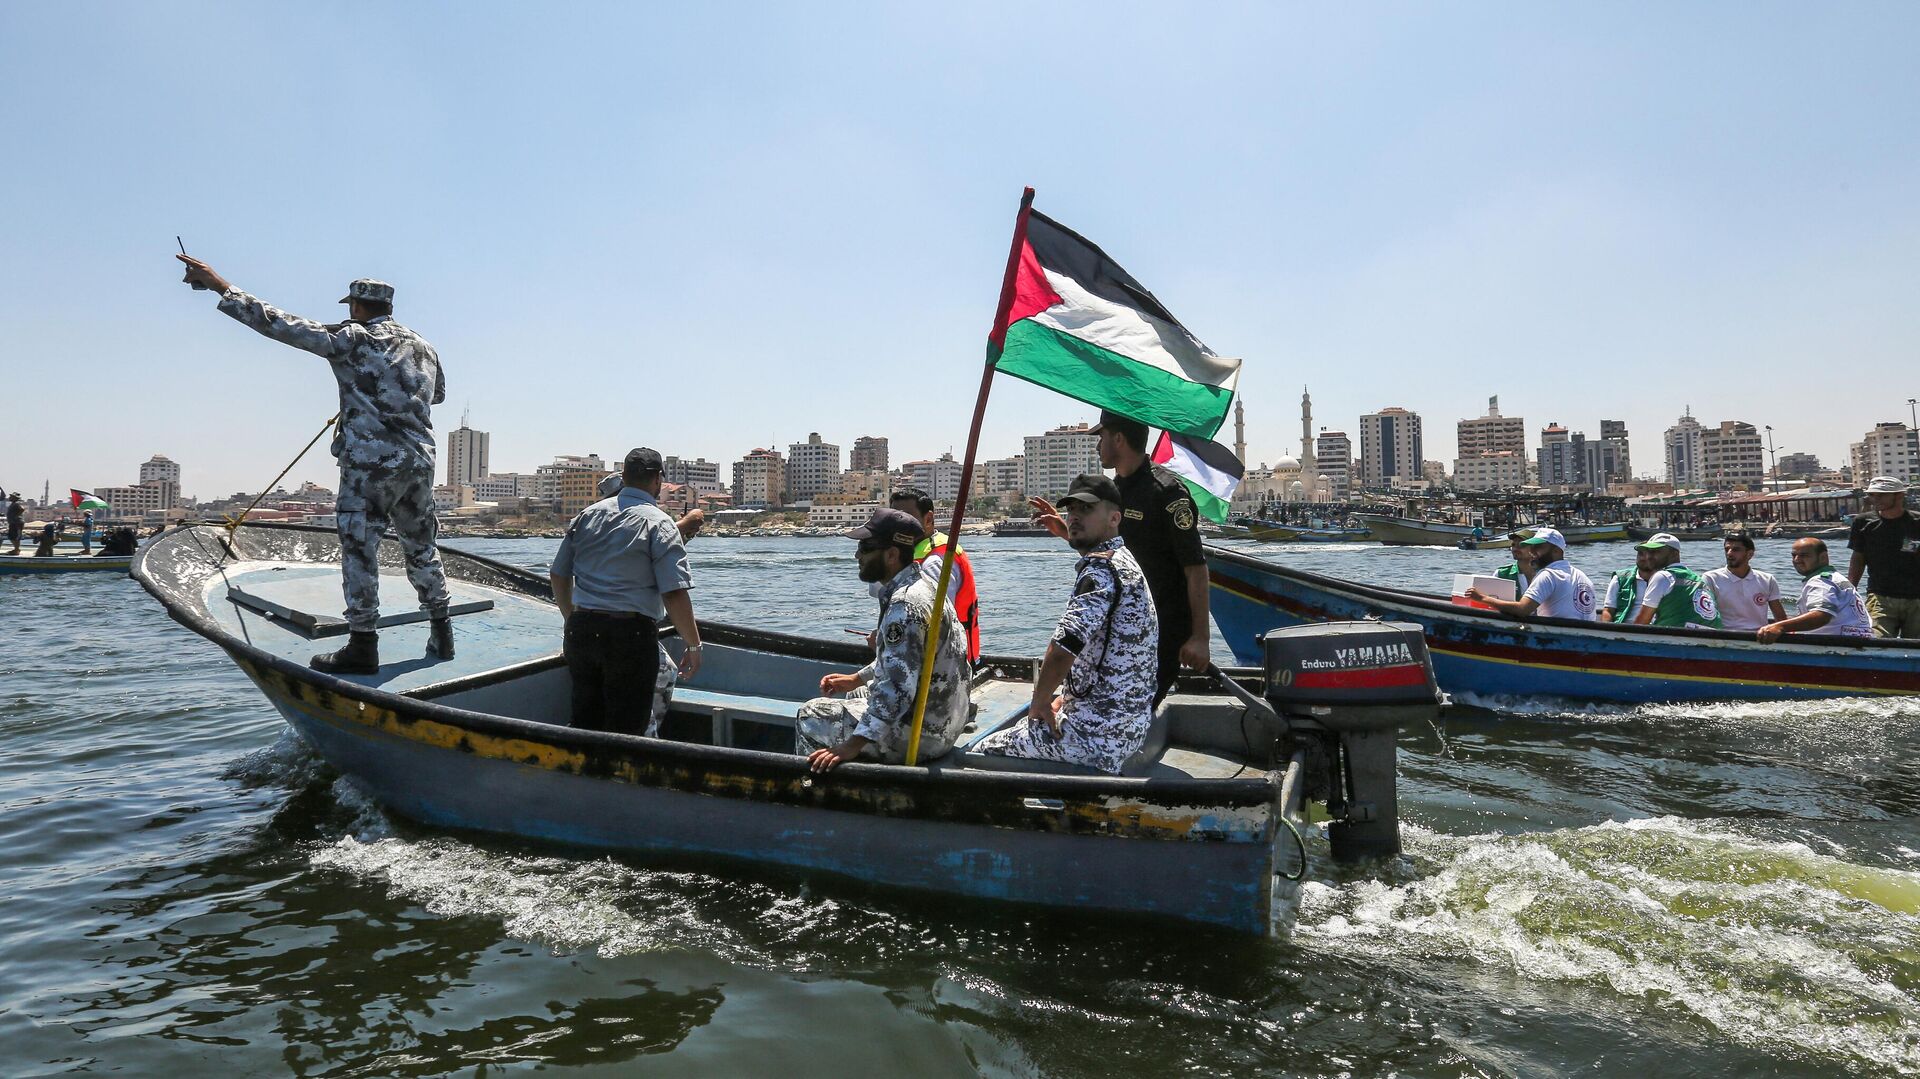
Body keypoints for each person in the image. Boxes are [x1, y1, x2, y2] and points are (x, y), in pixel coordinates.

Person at [177, 256, 453, 673]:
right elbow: (438, 397)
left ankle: (362, 646)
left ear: (356, 307)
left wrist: (221, 286)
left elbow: (280, 325)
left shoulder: (353, 338)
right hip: (418, 464)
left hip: (370, 466)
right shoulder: (424, 347)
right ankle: (442, 632)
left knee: (361, 549)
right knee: (422, 547)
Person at [976, 475, 1159, 774]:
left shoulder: (1100, 570)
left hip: (1094, 738)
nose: (1074, 516)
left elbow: (1065, 646)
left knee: (982, 751)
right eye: (1071, 510)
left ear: (1115, 518)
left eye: (1086, 510)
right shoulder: (1122, 559)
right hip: (1127, 726)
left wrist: (1040, 702)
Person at [1029, 410, 1208, 703]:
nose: (1098, 446)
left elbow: (1196, 569)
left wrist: (1200, 638)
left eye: (1101, 438)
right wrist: (1064, 529)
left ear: (1119, 439)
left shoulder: (1167, 494)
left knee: (1135, 709)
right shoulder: (1114, 490)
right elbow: (1109, 550)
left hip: (1161, 631)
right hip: (1117, 627)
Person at [799, 509, 971, 771]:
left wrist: (852, 745)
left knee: (812, 714)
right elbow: (907, 659)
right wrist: (857, 678)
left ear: (891, 555)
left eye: (866, 548)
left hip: (923, 737)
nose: (858, 555)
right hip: (946, 722)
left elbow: (897, 689)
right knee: (857, 692)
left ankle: (815, 790)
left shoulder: (904, 606)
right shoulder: (926, 586)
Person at [550, 448, 702, 735]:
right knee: (627, 729)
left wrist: (572, 619)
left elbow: (559, 575)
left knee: (584, 722)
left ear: (624, 477)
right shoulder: (659, 523)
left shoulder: (587, 515)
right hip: (629, 637)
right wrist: (693, 645)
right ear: (658, 480)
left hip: (581, 632)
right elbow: (674, 593)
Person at [889, 486, 981, 662]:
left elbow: (938, 621)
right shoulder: (909, 552)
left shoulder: (935, 561)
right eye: (894, 519)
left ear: (928, 519)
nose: (899, 526)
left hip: (947, 663)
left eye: (907, 518)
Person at [1465, 528, 1596, 620]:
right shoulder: (1582, 576)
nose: (1532, 552)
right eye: (1531, 547)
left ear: (1556, 551)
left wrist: (1482, 598)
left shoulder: (1548, 575)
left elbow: (1522, 610)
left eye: (1538, 547)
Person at [1847, 476, 1920, 639]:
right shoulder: (1863, 522)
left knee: (1916, 648)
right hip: (1880, 597)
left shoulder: (1916, 522)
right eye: (1873, 495)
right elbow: (1858, 558)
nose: (1876, 499)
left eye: (1882, 495)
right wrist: (1850, 589)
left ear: (1899, 495)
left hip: (1916, 598)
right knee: (1875, 642)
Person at [1759, 538, 1873, 641]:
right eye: (1794, 555)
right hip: (1859, 639)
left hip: (1839, 646)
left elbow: (1821, 616)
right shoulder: (1835, 577)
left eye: (1804, 555)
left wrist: (1779, 626)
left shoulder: (1820, 582)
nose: (1797, 560)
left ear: (1823, 557)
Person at [1623, 534, 1721, 629]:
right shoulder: (1698, 580)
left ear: (1675, 554)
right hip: (1712, 637)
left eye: (1656, 551)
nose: (1649, 556)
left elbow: (1641, 623)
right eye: (1649, 551)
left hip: (1677, 639)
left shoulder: (1662, 576)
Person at [1701, 533, 1786, 633]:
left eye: (1736, 550)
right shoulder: (1710, 578)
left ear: (1750, 554)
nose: (1729, 553)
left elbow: (1780, 618)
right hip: (1724, 636)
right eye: (1726, 549)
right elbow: (1704, 615)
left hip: (1760, 637)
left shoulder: (1767, 579)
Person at [1599, 541, 1660, 624]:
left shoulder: (1666, 579)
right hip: (1624, 628)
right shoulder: (1620, 578)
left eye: (1649, 554)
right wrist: (1607, 631)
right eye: (1640, 554)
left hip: (1656, 631)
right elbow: (1608, 610)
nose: (1643, 558)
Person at [1494, 529, 1534, 596]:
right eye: (1513, 545)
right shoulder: (1501, 574)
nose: (1515, 549)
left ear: (1534, 548)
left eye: (1521, 545)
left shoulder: (1545, 574)